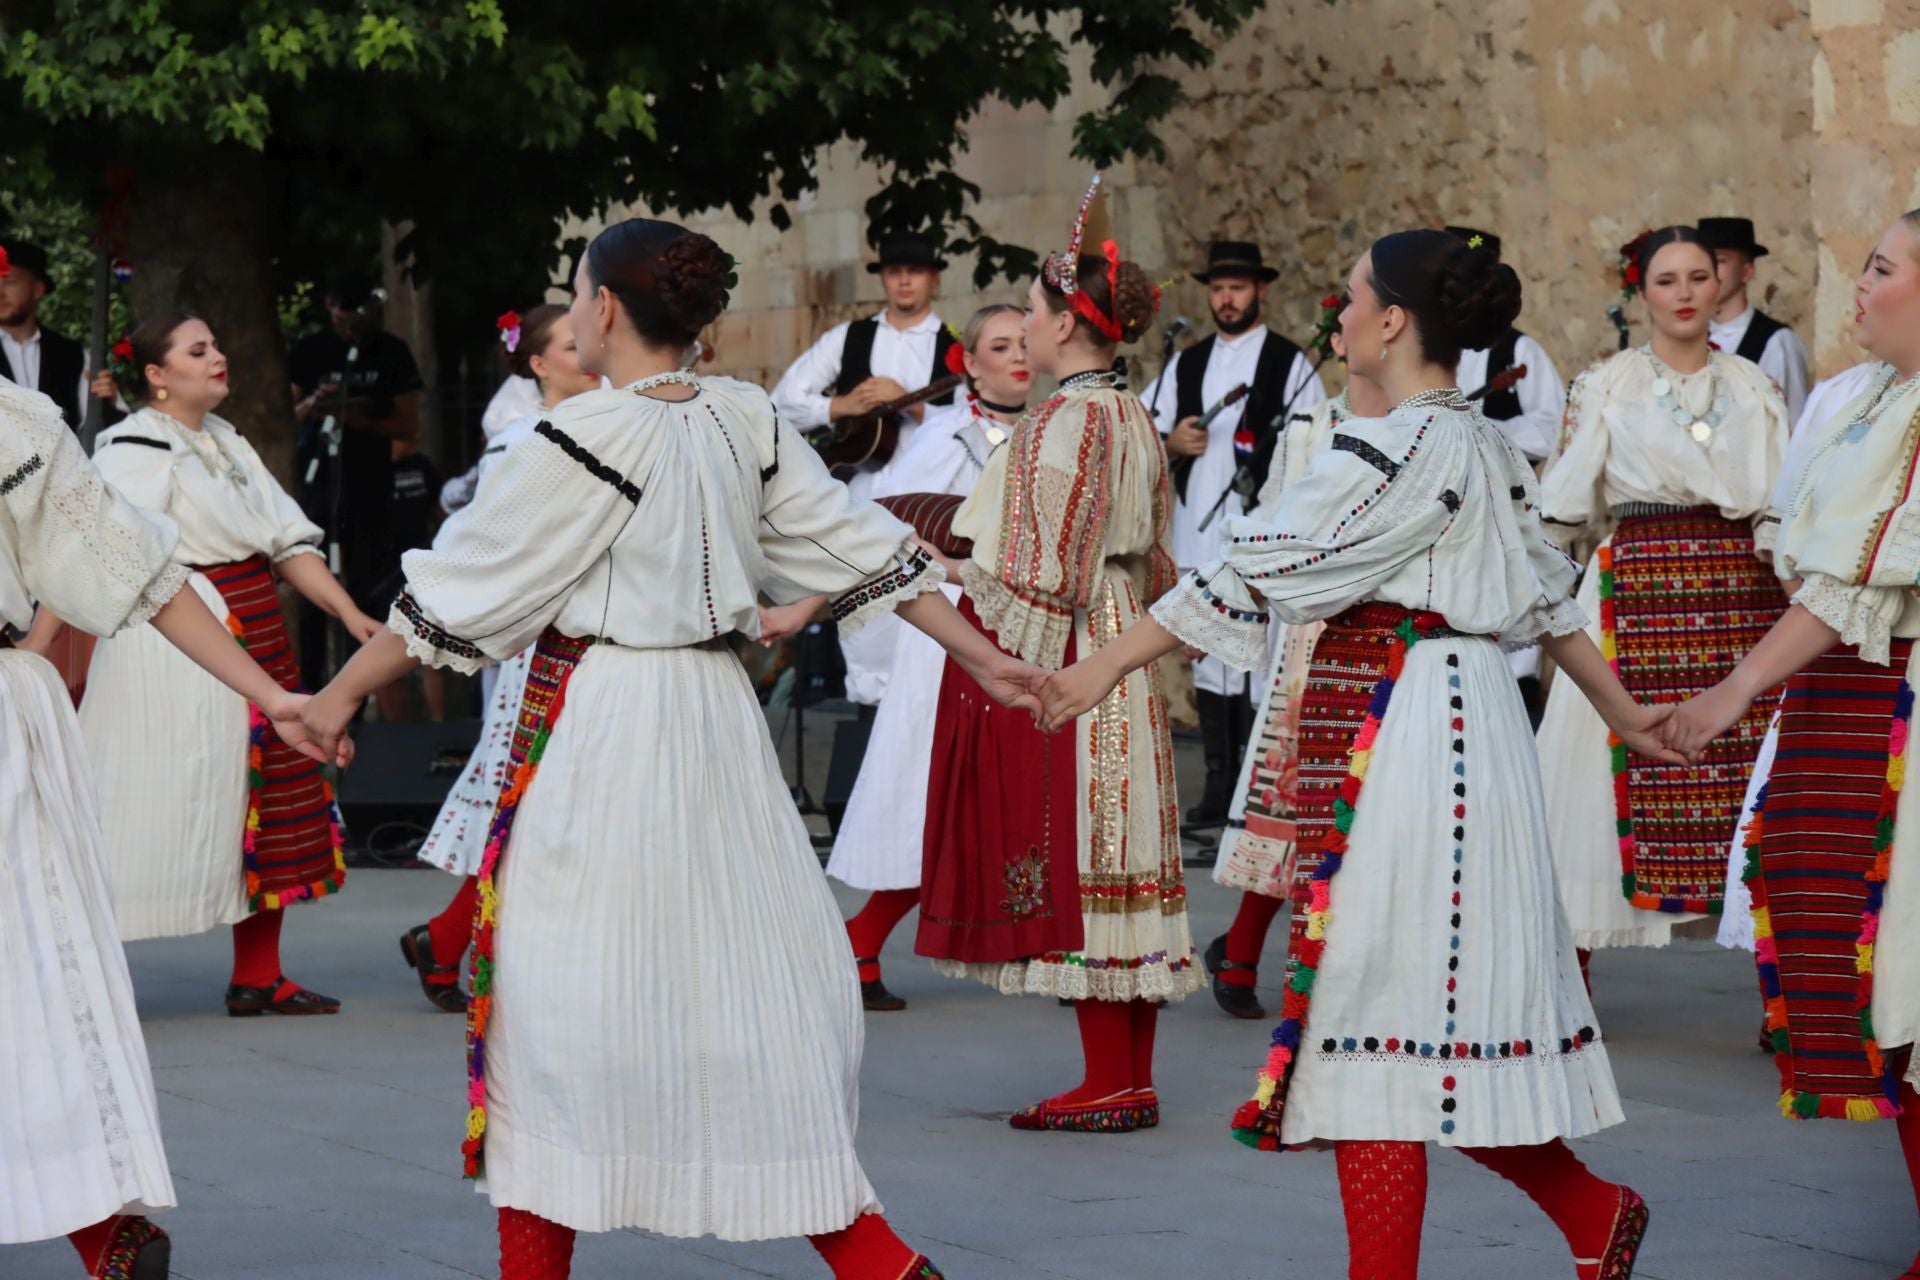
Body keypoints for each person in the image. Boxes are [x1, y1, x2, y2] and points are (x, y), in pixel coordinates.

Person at [296, 216, 1048, 1280]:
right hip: (715, 719)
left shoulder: (574, 440)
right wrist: (985, 656)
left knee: (558, 1006)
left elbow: (453, 604)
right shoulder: (744, 417)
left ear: (603, 308)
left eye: (576, 286)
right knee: (743, 982)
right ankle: (874, 1255)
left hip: (606, 726)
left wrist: (331, 702)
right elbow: (867, 547)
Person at [1036, 229, 1668, 1280]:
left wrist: (1101, 665)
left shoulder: (1394, 448)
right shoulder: (1473, 441)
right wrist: (1629, 714)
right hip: (1438, 724)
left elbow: (1253, 571)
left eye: (1353, 296)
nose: (1337, 312)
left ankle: (1570, 1218)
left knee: (1378, 1021)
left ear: (1393, 322)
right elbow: (1547, 598)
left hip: (1419, 735)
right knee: (1422, 1021)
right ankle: (1594, 1213)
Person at [0, 367, 345, 1278]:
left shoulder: (15, 420)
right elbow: (137, 572)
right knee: (29, 983)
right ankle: (98, 1234)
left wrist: (273, 693)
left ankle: (96, 1231)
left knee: (29, 981)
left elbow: (137, 571)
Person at [1663, 210, 1920, 1278]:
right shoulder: (1869, 400)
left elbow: (1858, 579)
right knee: (1885, 988)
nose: (1859, 285)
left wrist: (1729, 692)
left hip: (1897, 696)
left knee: (1906, 972)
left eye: (1882, 267)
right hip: (1854, 699)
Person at [917, 174, 1199, 1133]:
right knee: (1125, 844)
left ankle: (1109, 1079)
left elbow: (1046, 573)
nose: (1025, 328)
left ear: (1067, 326)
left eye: (1033, 312)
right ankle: (1128, 1076)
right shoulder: (1130, 414)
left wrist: (960, 588)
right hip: (1123, 631)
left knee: (1090, 844)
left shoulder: (1067, 421)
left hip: (1082, 636)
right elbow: (1154, 552)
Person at [37, 313, 381, 1017]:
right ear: (157, 376)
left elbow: (286, 542)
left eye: (218, 345)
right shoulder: (130, 448)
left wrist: (349, 614)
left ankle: (260, 972)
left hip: (256, 627)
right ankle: (83, 981)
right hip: (176, 644)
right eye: (199, 350)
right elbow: (105, 552)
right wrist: (41, 646)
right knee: (146, 799)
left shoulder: (226, 442)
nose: (219, 356)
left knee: (271, 794)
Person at [1535, 226, 1789, 970]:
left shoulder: (1754, 386)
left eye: (1698, 277)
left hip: (1741, 593)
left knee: (1752, 786)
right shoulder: (1607, 384)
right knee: (1591, 777)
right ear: (1640, 291)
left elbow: (1780, 502)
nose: (1684, 294)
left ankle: (1780, 994)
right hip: (1636, 583)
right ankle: (1568, 982)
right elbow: (1561, 507)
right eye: (1667, 280)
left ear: (1723, 285)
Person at [821, 302, 1029, 1012]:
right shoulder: (945, 436)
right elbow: (884, 529)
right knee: (936, 798)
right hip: (957, 632)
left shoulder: (1055, 430)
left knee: (1042, 797)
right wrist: (946, 566)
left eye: (1025, 342)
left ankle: (1066, 948)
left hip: (1034, 625)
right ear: (968, 363)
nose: (1018, 356)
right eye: (1000, 346)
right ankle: (862, 937)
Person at [404, 304, 601, 1013]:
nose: (588, 355)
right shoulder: (519, 442)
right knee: (533, 804)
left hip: (604, 645)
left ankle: (452, 938)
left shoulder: (619, 427)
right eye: (571, 347)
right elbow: (481, 551)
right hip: (543, 646)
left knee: (560, 808)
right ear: (538, 364)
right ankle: (459, 939)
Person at [1202, 330, 1389, 1020]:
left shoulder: (1427, 424)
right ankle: (1248, 951)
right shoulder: (1312, 423)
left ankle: (1286, 958)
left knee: (1368, 802)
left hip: (1393, 624)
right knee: (1296, 795)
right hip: (1315, 627)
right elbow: (1275, 519)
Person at [1142, 240, 1326, 827]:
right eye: (1219, 289)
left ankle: (1252, 780)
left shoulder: (1290, 362)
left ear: (1259, 291)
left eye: (1238, 288)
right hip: (1201, 522)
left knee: (1256, 651)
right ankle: (1218, 783)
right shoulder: (1186, 363)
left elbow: (1315, 440)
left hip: (1261, 528)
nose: (1227, 298)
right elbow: (1145, 425)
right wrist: (1172, 444)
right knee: (1206, 651)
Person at [1445, 225, 1570, 722]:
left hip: (1498, 514)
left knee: (1512, 642)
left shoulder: (1519, 353)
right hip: (1440, 519)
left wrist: (1486, 428)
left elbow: (1552, 427)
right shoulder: (1421, 346)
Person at [288, 270, 425, 690]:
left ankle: (355, 691)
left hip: (368, 485)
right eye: (343, 310)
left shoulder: (390, 351)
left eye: (358, 310)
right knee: (311, 587)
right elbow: (286, 417)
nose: (350, 321)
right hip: (316, 483)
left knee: (367, 587)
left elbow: (409, 425)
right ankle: (308, 687)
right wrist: (316, 404)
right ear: (329, 306)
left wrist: (362, 420)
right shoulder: (311, 350)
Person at [1699, 216, 1812, 424]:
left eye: (1720, 260)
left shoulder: (1777, 342)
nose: (1709, 270)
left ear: (1746, 271)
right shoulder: (1692, 337)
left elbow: (1793, 424)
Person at [0, 237, 96, 430]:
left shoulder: (72, 355)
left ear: (37, 289)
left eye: (9, 282)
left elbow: (93, 424)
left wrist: (107, 402)